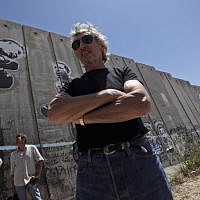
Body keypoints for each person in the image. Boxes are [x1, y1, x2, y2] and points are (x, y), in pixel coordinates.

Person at [48, 22, 173, 200]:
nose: (81, 46)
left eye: (87, 40)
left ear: (101, 45)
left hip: (138, 160)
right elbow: (55, 113)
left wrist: (83, 118)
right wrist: (108, 95)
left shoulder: (122, 73)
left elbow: (141, 103)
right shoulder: (73, 85)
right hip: (92, 171)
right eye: (76, 45)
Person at [10, 134, 44, 200]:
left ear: (25, 140)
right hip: (18, 182)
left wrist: (37, 176)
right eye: (17, 141)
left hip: (30, 180)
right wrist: (13, 189)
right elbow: (12, 172)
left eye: (21, 141)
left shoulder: (32, 148)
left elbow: (40, 161)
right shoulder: (13, 154)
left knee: (37, 198)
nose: (19, 143)